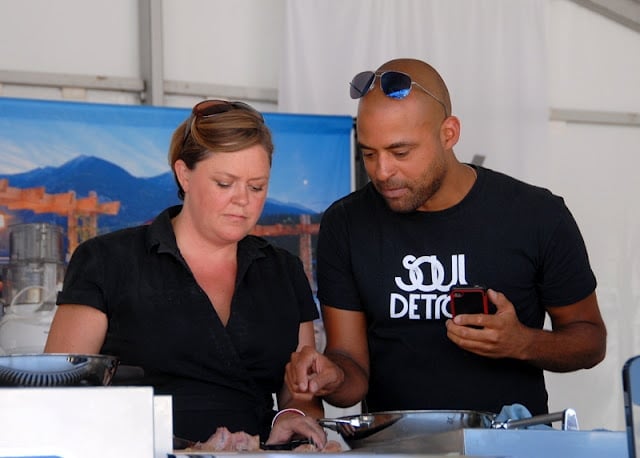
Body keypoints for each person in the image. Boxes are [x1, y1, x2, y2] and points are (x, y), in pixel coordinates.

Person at [285, 58, 607, 417]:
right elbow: (352, 369)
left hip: (510, 446)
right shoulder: (345, 224)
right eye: (369, 154)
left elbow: (591, 341)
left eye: (400, 152)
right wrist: (333, 377)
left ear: (449, 133)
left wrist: (523, 342)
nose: (383, 171)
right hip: (393, 447)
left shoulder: (536, 215)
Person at [45, 99, 327, 447]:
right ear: (184, 174)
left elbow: (300, 392)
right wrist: (183, 448)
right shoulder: (106, 260)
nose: (243, 200)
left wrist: (293, 419)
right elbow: (58, 398)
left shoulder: (283, 270)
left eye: (257, 187)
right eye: (225, 183)